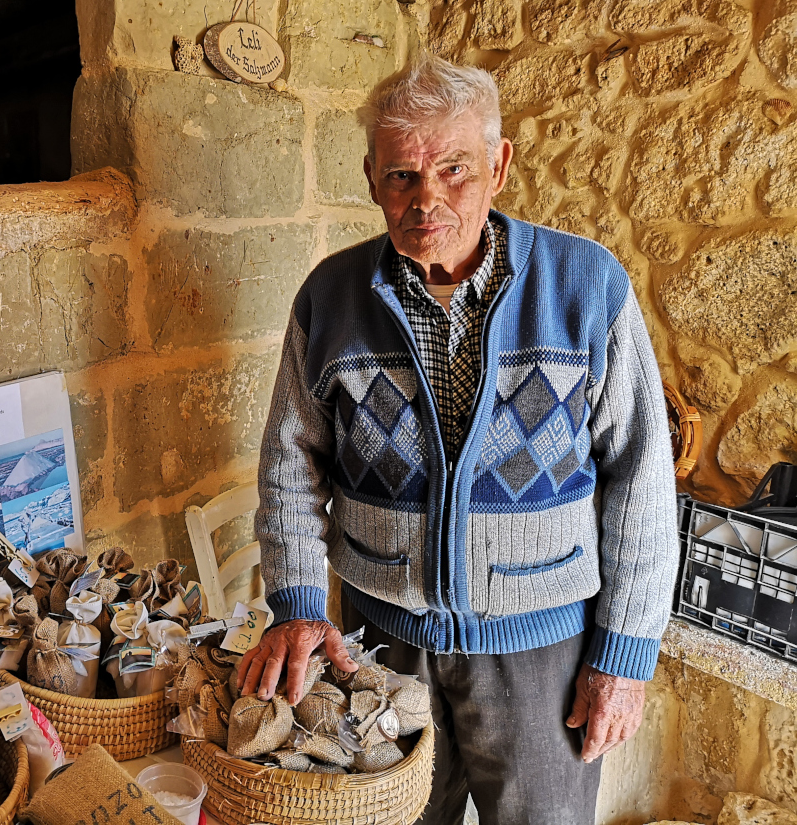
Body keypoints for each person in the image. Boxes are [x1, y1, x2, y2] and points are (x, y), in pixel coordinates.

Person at [242, 55, 677, 824]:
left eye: (453, 168)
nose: (426, 199)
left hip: (542, 651)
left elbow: (641, 475)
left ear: (499, 164)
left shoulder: (587, 286)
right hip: (377, 636)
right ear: (371, 177)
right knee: (391, 820)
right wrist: (300, 603)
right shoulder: (329, 298)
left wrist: (624, 655)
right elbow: (289, 462)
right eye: (402, 175)